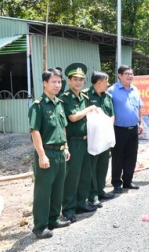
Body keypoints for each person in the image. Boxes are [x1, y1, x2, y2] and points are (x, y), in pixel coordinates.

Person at [28, 68, 71, 239]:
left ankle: (53, 219)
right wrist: (41, 155)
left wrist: (66, 147)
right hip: (47, 153)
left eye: (59, 81)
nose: (57, 85)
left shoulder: (59, 103)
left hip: (60, 153)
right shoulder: (38, 105)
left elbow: (63, 128)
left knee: (57, 188)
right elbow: (35, 131)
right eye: (53, 81)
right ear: (45, 83)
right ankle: (40, 226)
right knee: (43, 191)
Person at [61, 63, 98, 223]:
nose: (78, 82)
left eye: (81, 80)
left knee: (85, 174)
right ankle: (69, 209)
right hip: (73, 142)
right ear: (69, 81)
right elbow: (73, 117)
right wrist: (88, 110)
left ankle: (81, 203)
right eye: (75, 79)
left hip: (86, 142)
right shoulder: (65, 98)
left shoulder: (85, 98)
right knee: (72, 177)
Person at [107, 65, 144, 193]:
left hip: (133, 128)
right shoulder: (112, 90)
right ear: (120, 75)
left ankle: (128, 181)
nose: (130, 76)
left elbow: (139, 107)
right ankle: (116, 182)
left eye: (131, 74)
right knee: (117, 156)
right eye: (127, 74)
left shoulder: (135, 89)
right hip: (118, 129)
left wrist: (141, 123)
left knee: (131, 155)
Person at [83, 71, 115, 207]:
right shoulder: (85, 95)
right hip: (92, 137)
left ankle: (101, 190)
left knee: (103, 165)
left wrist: (108, 129)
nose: (108, 84)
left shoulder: (107, 96)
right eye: (106, 81)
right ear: (99, 82)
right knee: (92, 166)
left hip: (105, 137)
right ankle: (93, 195)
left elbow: (112, 114)